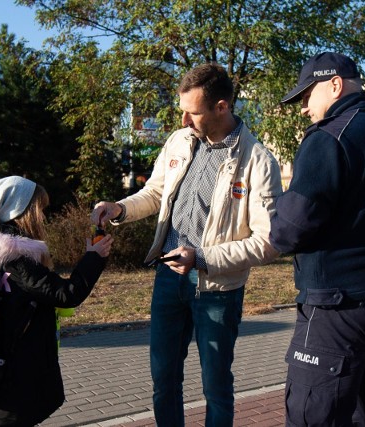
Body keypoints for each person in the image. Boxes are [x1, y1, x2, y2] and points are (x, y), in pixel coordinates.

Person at [91, 63, 282, 426]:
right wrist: (119, 208)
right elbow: (156, 192)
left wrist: (202, 258)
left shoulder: (257, 161)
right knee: (163, 380)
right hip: (168, 278)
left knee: (216, 387)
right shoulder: (180, 140)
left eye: (193, 112)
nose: (184, 119)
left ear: (222, 107)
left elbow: (269, 241)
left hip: (217, 288)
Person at [269, 52, 365, 426]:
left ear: (334, 85)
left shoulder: (329, 137)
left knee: (311, 414)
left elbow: (291, 228)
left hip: (337, 302)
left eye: (306, 96)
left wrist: (275, 214)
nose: (303, 108)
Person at [0, 175, 113, 426]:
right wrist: (94, 258)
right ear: (21, 211)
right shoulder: (13, 256)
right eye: (40, 210)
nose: (44, 217)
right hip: (11, 382)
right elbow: (65, 294)